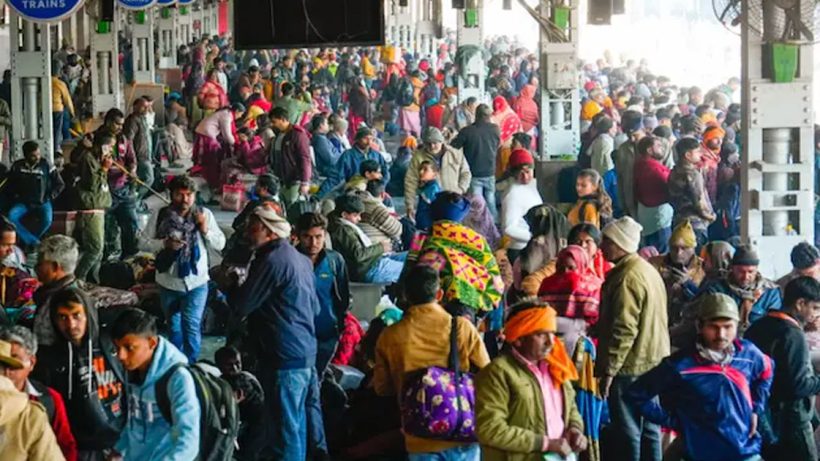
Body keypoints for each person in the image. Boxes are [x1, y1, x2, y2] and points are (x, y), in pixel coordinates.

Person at [228, 207, 327, 460]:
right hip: (304, 353)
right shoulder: (299, 259)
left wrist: (229, 283)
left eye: (254, 227)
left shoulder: (271, 261)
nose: (249, 232)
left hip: (284, 358)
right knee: (298, 425)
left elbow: (241, 305)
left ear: (268, 231)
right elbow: (314, 307)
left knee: (285, 432)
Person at [627, 294, 773, 461]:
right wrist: (675, 422)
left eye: (728, 327)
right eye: (713, 327)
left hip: (746, 452)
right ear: (699, 326)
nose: (721, 334)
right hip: (700, 454)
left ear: (737, 325)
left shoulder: (748, 354)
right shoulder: (680, 365)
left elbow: (767, 371)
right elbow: (636, 394)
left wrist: (756, 408)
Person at [373, 264, 490, 460]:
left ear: (406, 296)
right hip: (461, 430)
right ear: (439, 294)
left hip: (419, 435)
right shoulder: (461, 327)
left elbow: (382, 388)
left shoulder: (390, 336)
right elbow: (489, 373)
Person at [595, 216, 669, 461]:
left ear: (620, 244)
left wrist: (609, 371)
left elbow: (624, 329)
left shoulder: (626, 278)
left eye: (607, 240)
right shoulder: (645, 269)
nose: (601, 245)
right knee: (649, 426)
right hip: (653, 359)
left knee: (628, 429)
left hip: (631, 364)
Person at [475, 301, 587, 461]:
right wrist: (545, 444)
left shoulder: (556, 367)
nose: (550, 342)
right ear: (518, 339)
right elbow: (490, 429)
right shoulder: (498, 373)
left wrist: (575, 428)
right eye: (541, 334)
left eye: (552, 333)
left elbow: (571, 408)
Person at [32, 287, 127, 460]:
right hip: (80, 448)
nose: (71, 325)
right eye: (62, 317)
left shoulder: (110, 345)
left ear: (87, 315)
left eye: (76, 315)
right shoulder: (49, 360)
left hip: (120, 439)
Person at [141, 175, 226, 362]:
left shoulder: (204, 215)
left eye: (189, 195)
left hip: (197, 282)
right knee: (174, 326)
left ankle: (192, 363)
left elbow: (220, 243)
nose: (185, 199)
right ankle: (177, 363)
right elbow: (143, 242)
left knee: (191, 324)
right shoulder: (161, 215)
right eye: (180, 195)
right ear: (171, 195)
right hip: (168, 282)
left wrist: (205, 230)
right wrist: (164, 244)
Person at [109, 308, 200, 461]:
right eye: (117, 348)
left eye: (129, 348)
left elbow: (188, 441)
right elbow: (134, 421)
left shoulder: (178, 378)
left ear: (151, 343)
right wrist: (119, 449)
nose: (121, 356)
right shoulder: (133, 370)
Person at [746, 276, 820, 460]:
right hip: (791, 417)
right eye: (815, 308)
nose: (816, 315)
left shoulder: (758, 326)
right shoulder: (792, 335)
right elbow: (799, 386)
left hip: (763, 414)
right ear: (800, 304)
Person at [0, 326, 77, 461]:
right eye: (2, 363)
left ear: (32, 362)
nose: (6, 370)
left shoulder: (49, 400)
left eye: (13, 360)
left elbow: (66, 446)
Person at [295, 212, 351, 373]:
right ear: (298, 235)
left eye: (318, 236)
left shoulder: (335, 261)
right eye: (307, 236)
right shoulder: (290, 261)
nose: (313, 242)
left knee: (318, 377)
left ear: (325, 235)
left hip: (326, 335)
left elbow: (343, 297)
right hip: (297, 336)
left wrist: (339, 327)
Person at [699, 245, 782, 331]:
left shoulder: (770, 292)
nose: (745, 277)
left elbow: (774, 325)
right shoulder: (717, 289)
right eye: (740, 271)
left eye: (750, 272)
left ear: (757, 269)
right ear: (732, 268)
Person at [538, 245, 603, 355]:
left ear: (582, 265)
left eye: (571, 268)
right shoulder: (547, 283)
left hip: (582, 344)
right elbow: (540, 313)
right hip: (549, 339)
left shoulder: (594, 286)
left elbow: (596, 322)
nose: (566, 272)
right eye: (561, 268)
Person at [328, 194, 405, 284]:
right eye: (356, 215)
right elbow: (359, 255)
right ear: (344, 214)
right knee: (414, 269)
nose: (359, 219)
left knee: (412, 257)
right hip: (370, 269)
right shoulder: (343, 230)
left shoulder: (339, 223)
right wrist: (381, 247)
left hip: (374, 260)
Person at [95, 108, 139, 261]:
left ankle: (129, 256)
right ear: (108, 122)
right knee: (106, 227)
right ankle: (106, 257)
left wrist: (132, 170)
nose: (120, 127)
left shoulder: (124, 139)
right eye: (117, 124)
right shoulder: (95, 138)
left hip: (123, 188)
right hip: (104, 190)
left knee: (130, 222)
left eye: (122, 124)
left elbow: (131, 159)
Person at [404, 126, 471, 221]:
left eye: (435, 143)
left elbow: (466, 173)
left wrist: (460, 189)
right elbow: (410, 181)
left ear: (441, 141)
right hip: (431, 204)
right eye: (428, 143)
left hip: (453, 203)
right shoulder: (418, 157)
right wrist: (409, 205)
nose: (432, 146)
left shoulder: (455, 154)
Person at [6, 140, 64, 248]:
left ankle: (31, 241)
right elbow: (10, 184)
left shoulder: (46, 164)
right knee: (11, 217)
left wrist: (49, 197)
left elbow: (60, 184)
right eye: (33, 156)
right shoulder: (17, 166)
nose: (37, 157)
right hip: (23, 202)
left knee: (47, 220)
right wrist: (15, 196)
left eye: (38, 154)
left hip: (43, 201)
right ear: (26, 155)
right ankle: (34, 243)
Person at [648, 220, 706, 326]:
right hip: (658, 320)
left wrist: (687, 284)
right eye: (674, 248)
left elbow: (704, 300)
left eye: (684, 248)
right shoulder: (654, 264)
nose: (679, 253)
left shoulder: (703, 268)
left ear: (693, 248)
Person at [74, 134, 114, 282]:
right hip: (90, 210)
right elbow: (93, 185)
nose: (111, 150)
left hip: (99, 208)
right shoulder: (88, 159)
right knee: (94, 249)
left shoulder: (97, 159)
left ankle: (93, 280)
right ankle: (79, 277)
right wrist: (104, 169)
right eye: (109, 146)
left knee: (100, 251)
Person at [451, 103, 502, 220]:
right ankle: (494, 225)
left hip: (474, 172)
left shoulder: (467, 131)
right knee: (490, 200)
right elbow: (498, 145)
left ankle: (479, 227)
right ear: (489, 116)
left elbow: (454, 147)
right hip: (490, 171)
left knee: (477, 204)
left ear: (476, 115)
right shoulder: (495, 129)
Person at [214, 346, 265, 461]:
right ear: (219, 366)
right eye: (229, 365)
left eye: (238, 363)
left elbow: (234, 400)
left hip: (256, 424)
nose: (235, 368)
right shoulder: (221, 381)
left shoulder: (243, 380)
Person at [31, 235, 81, 347]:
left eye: (40, 263)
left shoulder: (62, 300)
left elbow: (42, 341)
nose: (36, 268)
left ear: (55, 267)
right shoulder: (75, 289)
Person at [668, 137, 715, 248]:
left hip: (678, 221)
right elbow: (699, 202)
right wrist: (711, 216)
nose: (700, 154)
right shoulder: (692, 174)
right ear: (688, 155)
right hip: (695, 223)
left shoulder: (674, 171)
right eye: (697, 152)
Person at [320, 127, 389, 197]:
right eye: (365, 138)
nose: (369, 142)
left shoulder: (376, 155)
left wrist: (382, 187)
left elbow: (386, 172)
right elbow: (335, 177)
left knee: (388, 202)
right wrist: (319, 195)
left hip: (376, 192)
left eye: (371, 139)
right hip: (356, 193)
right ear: (358, 139)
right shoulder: (348, 156)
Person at [500, 148, 543, 260]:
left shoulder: (531, 187)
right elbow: (508, 228)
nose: (525, 177)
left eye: (528, 172)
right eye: (521, 173)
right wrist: (534, 237)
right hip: (521, 251)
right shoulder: (512, 194)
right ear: (514, 174)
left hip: (533, 248)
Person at [633, 136, 673, 253]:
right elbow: (669, 185)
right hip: (658, 219)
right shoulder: (653, 168)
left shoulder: (640, 165)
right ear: (649, 150)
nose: (662, 149)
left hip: (647, 217)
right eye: (659, 146)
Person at [269, 106, 312, 206]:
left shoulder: (297, 135)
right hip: (280, 178)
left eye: (274, 121)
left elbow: (304, 158)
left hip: (293, 180)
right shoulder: (279, 135)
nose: (273, 125)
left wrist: (305, 182)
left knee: (292, 207)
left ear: (283, 120)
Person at [614, 110, 644, 218]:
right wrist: (623, 205)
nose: (631, 139)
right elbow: (620, 178)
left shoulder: (657, 146)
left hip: (652, 204)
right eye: (628, 135)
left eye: (635, 135)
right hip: (631, 202)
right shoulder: (622, 150)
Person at [123, 97, 153, 200]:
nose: (146, 109)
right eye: (143, 107)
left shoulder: (142, 119)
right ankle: (134, 201)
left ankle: (136, 203)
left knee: (140, 180)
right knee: (149, 179)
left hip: (145, 156)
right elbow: (128, 140)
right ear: (135, 107)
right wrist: (132, 158)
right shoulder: (132, 121)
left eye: (147, 107)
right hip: (139, 157)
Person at [52, 61, 75, 156]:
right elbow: (67, 100)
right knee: (57, 129)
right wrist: (72, 112)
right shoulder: (60, 83)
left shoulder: (43, 82)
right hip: (57, 109)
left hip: (44, 110)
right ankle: (56, 148)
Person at [310, 113, 341, 179]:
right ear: (321, 125)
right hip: (327, 169)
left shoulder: (321, 137)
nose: (328, 125)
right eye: (326, 123)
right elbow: (331, 159)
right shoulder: (320, 139)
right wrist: (341, 155)